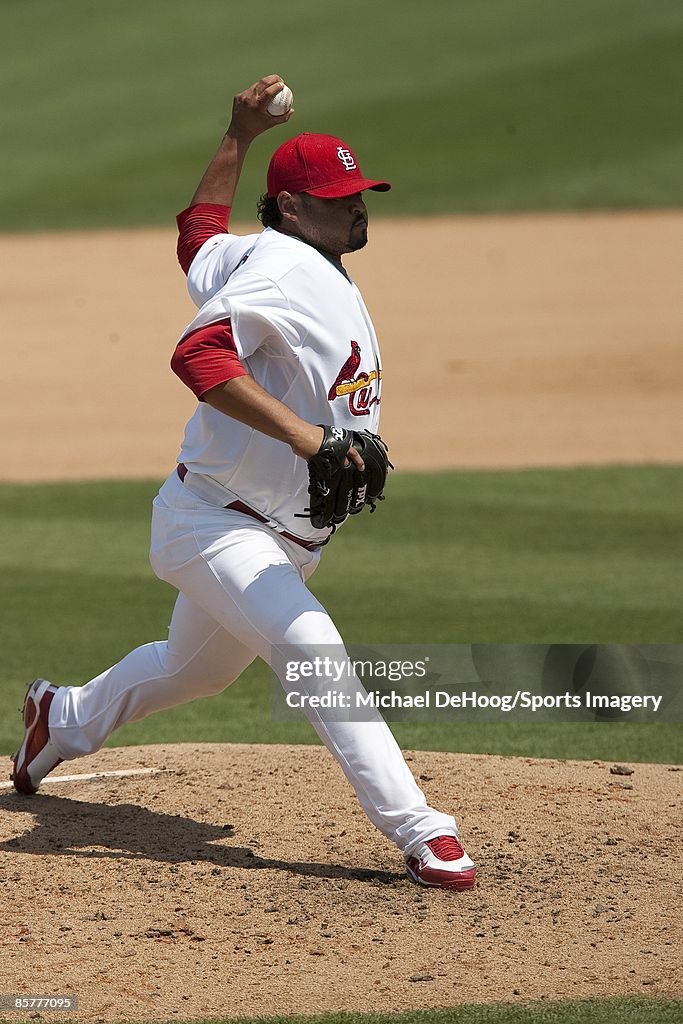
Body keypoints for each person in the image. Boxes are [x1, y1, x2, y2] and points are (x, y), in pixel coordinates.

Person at [11, 76, 476, 891]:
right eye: (338, 199)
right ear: (293, 209)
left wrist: (237, 132)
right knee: (311, 650)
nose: (358, 208)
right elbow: (197, 358)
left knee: (196, 669)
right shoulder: (286, 272)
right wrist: (307, 437)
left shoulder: (266, 254)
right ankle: (423, 832)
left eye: (360, 194)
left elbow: (197, 236)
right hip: (215, 523)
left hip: (272, 530)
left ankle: (64, 716)